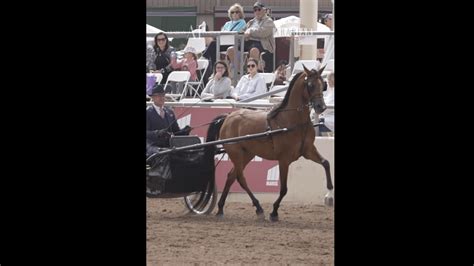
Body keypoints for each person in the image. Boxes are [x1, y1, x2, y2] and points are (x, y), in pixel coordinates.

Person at [227, 1, 276, 73]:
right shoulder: (251, 22)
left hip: (263, 44)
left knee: (254, 50)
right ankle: (239, 71)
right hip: (248, 42)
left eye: (259, 9)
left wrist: (250, 31)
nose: (257, 12)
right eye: (255, 10)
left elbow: (263, 33)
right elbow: (242, 31)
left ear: (264, 10)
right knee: (230, 49)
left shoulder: (269, 21)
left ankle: (251, 72)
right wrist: (241, 34)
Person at [146, 84, 192, 155]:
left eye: (163, 95)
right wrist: (157, 133)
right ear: (153, 97)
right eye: (158, 95)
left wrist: (184, 131)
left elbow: (175, 131)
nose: (161, 98)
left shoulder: (170, 112)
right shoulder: (148, 113)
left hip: (168, 145)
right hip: (153, 145)